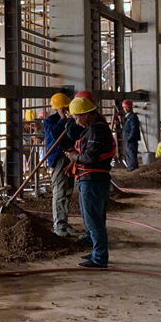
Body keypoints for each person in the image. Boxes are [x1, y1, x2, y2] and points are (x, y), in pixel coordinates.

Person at [64, 96, 116, 268]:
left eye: (77, 117)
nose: (76, 121)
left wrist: (74, 157)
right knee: (94, 219)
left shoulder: (96, 131)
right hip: (91, 179)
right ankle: (97, 252)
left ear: (86, 114)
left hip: (93, 180)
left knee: (93, 220)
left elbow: (91, 156)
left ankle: (100, 258)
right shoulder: (93, 129)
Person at [43, 92, 77, 236]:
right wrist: (62, 119)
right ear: (58, 108)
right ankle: (58, 224)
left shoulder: (71, 121)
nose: (66, 110)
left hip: (70, 157)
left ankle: (64, 222)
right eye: (64, 108)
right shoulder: (49, 121)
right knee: (60, 190)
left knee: (68, 190)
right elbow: (55, 135)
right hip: (58, 158)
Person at [121, 100, 141, 171]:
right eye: (124, 108)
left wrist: (130, 138)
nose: (126, 109)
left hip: (131, 139)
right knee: (128, 153)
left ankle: (133, 167)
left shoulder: (133, 117)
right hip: (127, 138)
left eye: (127, 107)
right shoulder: (127, 117)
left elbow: (134, 128)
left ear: (131, 107)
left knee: (131, 153)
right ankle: (130, 166)